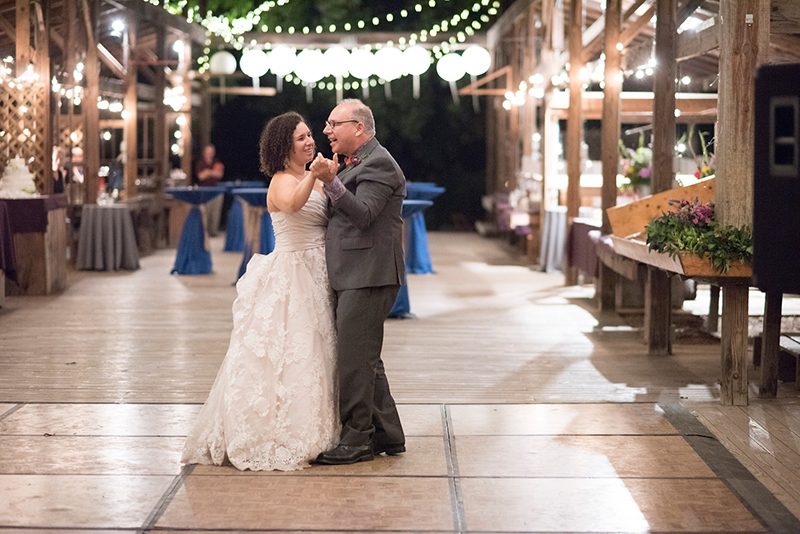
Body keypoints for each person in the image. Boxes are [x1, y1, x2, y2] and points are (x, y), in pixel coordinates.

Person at [181, 112, 340, 471]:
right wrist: (316, 175)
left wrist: (328, 178)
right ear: (285, 147)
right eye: (300, 138)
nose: (309, 141)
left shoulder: (313, 177)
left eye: (309, 135)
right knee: (292, 349)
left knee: (320, 348)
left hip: (320, 270)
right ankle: (279, 428)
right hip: (293, 272)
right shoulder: (281, 181)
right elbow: (294, 206)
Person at [310, 98, 407, 465]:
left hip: (369, 275)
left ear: (359, 128)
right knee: (365, 358)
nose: (326, 130)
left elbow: (364, 214)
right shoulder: (357, 162)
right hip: (354, 273)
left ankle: (357, 440)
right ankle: (388, 434)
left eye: (334, 124)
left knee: (354, 361)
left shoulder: (380, 163)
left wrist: (332, 182)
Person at [194, 144, 225, 236]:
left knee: (215, 212)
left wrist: (208, 172)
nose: (209, 154)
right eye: (208, 152)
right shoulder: (200, 163)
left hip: (215, 190)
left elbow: (219, 175)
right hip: (204, 191)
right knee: (205, 212)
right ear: (204, 153)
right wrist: (212, 172)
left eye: (211, 152)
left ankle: (213, 231)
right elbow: (201, 177)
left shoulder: (217, 162)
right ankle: (204, 232)